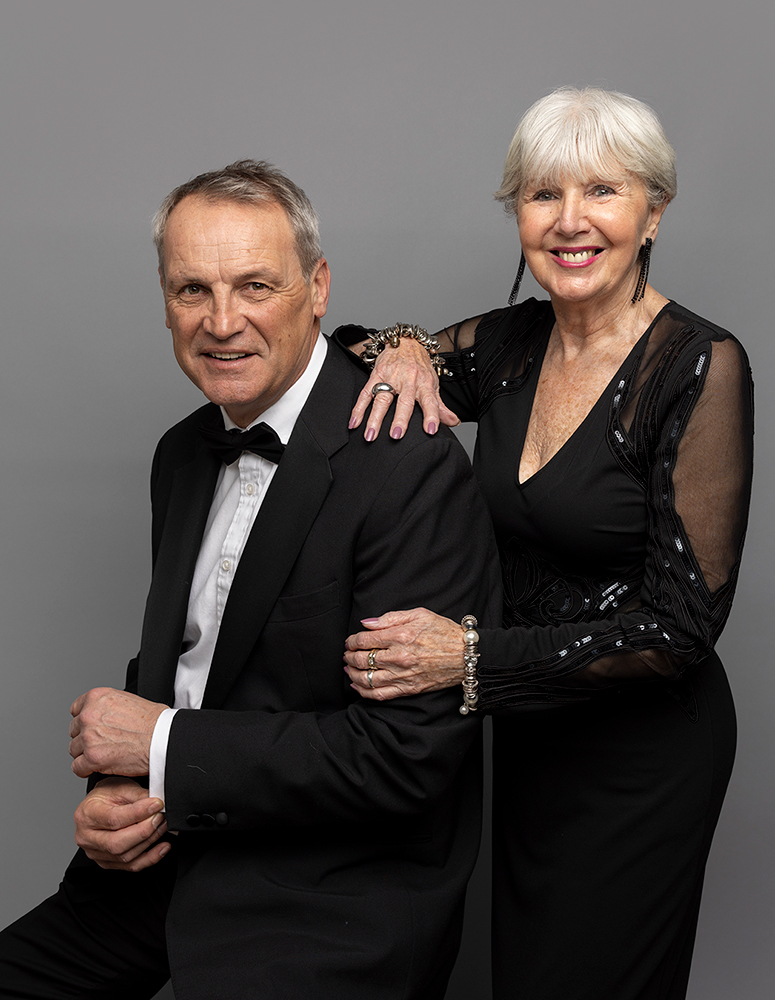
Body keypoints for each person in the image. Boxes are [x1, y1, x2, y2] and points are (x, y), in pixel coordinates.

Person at [0, 161, 502, 999]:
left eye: (255, 286)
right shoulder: (181, 452)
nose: (222, 321)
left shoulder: (408, 466)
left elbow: (405, 758)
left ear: (318, 288)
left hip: (326, 898)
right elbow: (194, 665)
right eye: (191, 290)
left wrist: (159, 745)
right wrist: (120, 789)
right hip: (163, 861)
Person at [339, 88, 754, 1000]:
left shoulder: (698, 364)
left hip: (643, 756)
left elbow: (680, 629)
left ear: (653, 212)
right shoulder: (512, 343)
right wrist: (406, 346)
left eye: (601, 191)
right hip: (532, 740)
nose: (569, 221)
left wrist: (466, 657)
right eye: (541, 194)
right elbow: (344, 358)